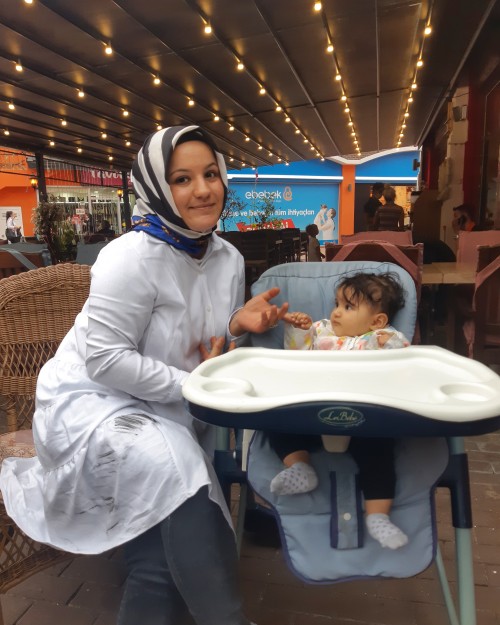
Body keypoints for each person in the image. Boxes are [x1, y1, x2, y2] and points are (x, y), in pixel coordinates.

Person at [0, 125, 289, 625]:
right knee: (179, 470)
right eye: (182, 179)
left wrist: (235, 325)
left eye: (210, 174)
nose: (203, 189)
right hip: (91, 404)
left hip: (166, 406)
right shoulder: (130, 257)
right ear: (156, 187)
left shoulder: (228, 258)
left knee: (157, 551)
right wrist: (192, 386)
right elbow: (105, 360)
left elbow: (197, 339)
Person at [268, 272, 410, 550]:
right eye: (336, 304)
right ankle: (300, 467)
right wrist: (300, 330)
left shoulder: (381, 338)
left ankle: (378, 516)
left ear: (377, 321)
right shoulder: (322, 332)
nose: (336, 312)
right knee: (276, 422)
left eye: (348, 307)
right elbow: (296, 357)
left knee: (379, 454)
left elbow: (401, 362)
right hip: (313, 412)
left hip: (364, 421)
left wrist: (389, 348)